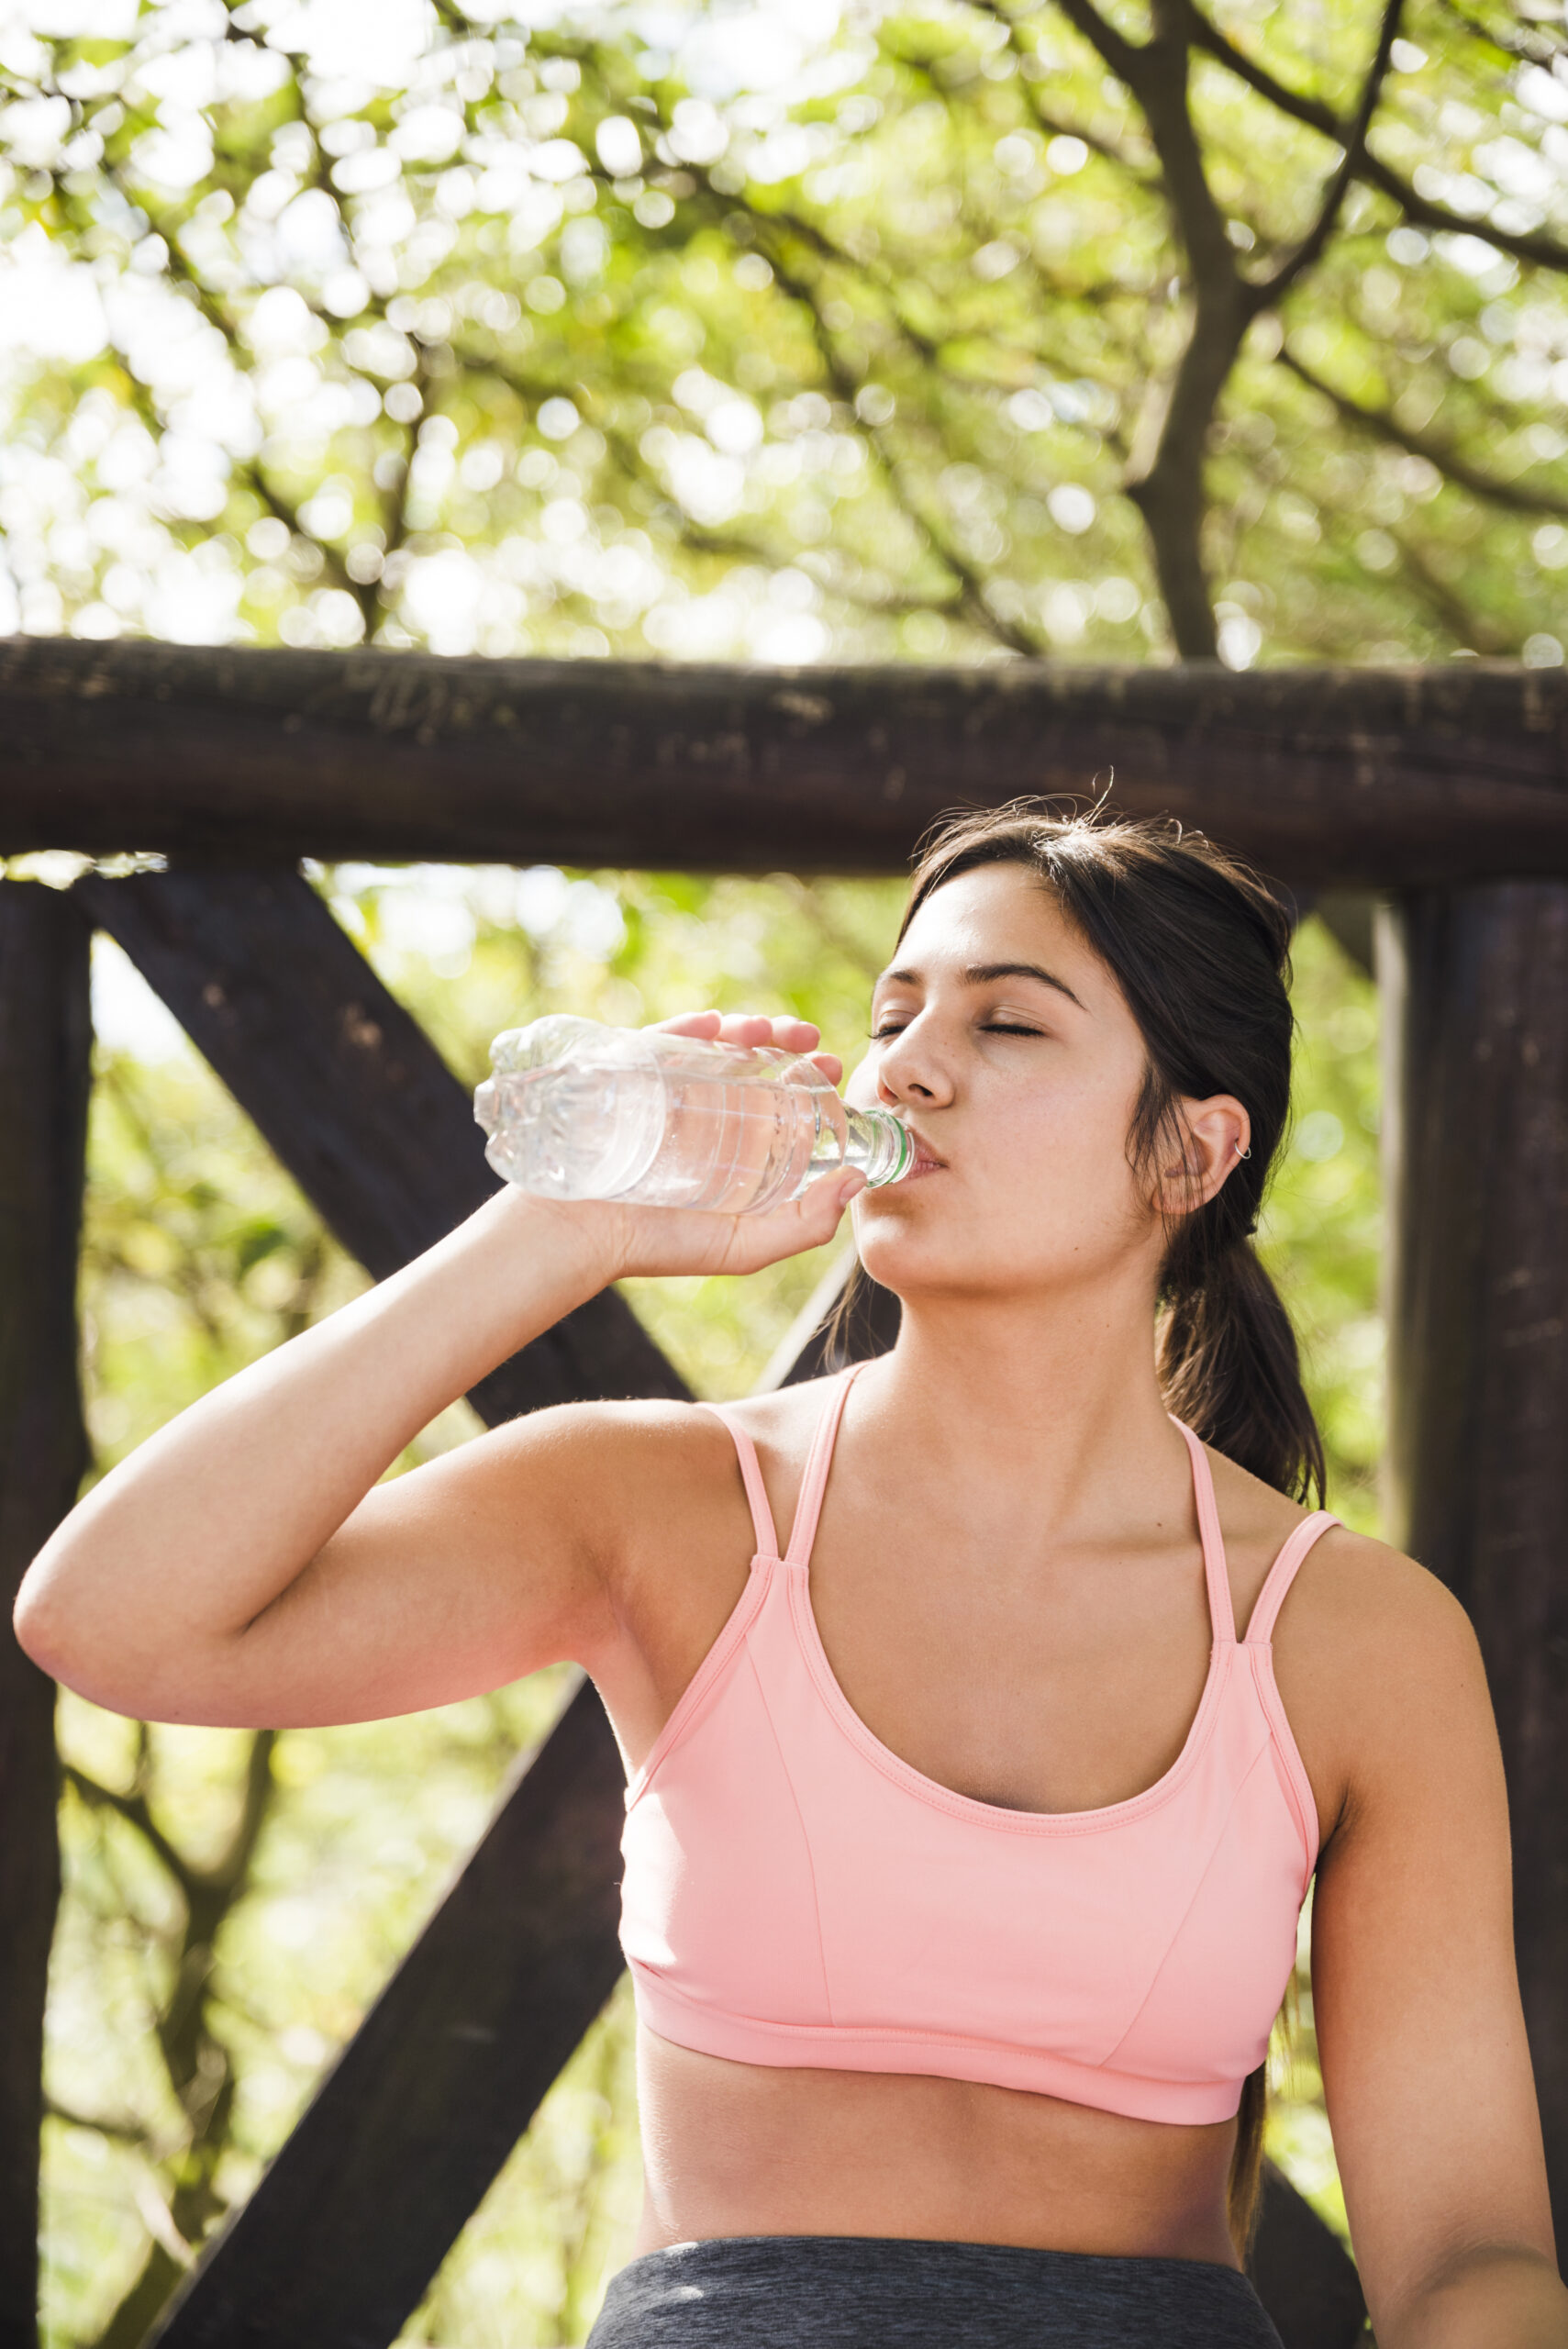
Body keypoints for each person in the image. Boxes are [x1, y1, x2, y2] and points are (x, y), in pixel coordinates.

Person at [16, 804, 1565, 2349]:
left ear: (1188, 1147)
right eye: (894, 1014)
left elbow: (1469, 2259)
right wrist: (555, 1233)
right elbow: (114, 1622)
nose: (906, 1064)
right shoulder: (662, 1505)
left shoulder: (1354, 1638)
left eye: (1007, 1021)